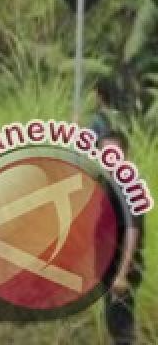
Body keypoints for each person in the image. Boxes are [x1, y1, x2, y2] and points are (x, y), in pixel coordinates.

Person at [102, 130, 144, 344]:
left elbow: (132, 229)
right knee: (114, 323)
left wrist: (122, 274)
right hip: (109, 268)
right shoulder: (109, 184)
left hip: (123, 269)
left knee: (121, 329)